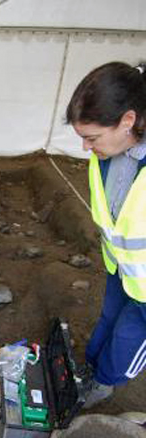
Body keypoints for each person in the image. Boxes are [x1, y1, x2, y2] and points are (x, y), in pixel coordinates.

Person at [66, 61, 146, 408]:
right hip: (122, 268)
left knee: (130, 334)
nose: (86, 147)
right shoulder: (106, 155)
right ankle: (91, 367)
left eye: (92, 137)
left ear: (127, 120)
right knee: (110, 317)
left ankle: (105, 382)